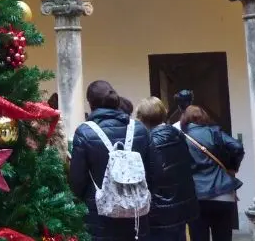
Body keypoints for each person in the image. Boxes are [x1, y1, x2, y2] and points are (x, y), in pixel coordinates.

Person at [70, 81, 152, 241]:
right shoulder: (140, 129)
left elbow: (77, 181)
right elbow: (154, 172)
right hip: (136, 217)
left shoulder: (85, 132)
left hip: (99, 218)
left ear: (90, 103)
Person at [136, 97, 198, 241]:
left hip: (159, 211)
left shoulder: (148, 141)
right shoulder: (178, 135)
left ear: (141, 118)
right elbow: (191, 165)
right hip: (182, 207)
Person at [181, 106, 244, 241]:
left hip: (196, 196)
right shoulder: (215, 132)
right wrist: (232, 167)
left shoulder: (181, 137)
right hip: (223, 193)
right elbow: (237, 147)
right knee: (223, 237)